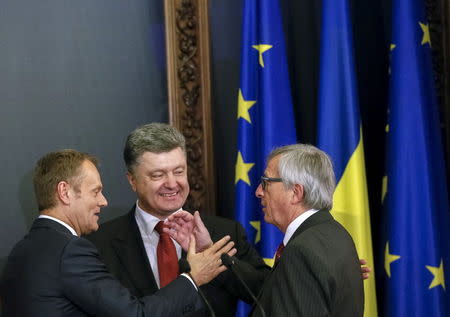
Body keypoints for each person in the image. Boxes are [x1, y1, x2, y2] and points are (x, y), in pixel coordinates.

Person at [0, 149, 235, 317]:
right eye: (96, 192)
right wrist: (193, 278)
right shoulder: (71, 250)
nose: (103, 201)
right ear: (65, 192)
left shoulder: (23, 249)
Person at [86, 123, 269, 317]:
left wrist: (212, 254)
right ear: (132, 181)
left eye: (179, 171)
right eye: (158, 175)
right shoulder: (99, 244)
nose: (172, 184)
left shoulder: (225, 233)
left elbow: (268, 293)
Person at [167, 144, 365, 316]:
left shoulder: (302, 251)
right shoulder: (335, 233)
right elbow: (269, 288)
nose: (258, 192)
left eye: (266, 182)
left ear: (296, 192)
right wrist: (209, 251)